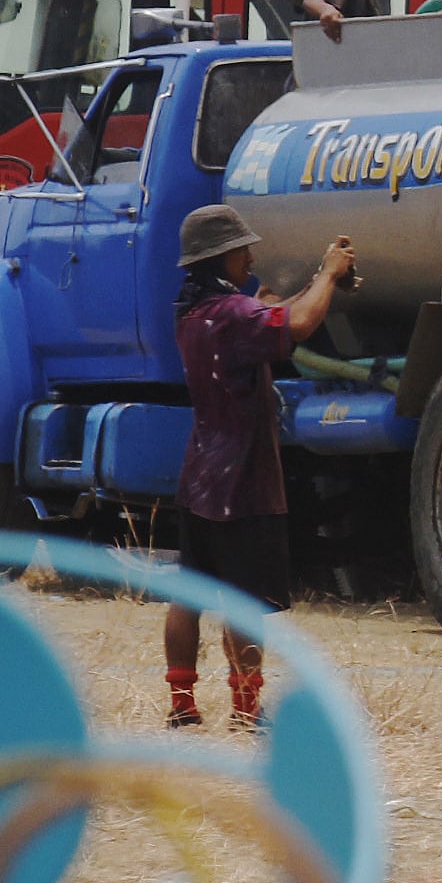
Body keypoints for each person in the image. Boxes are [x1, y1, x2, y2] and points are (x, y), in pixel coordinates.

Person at [164, 203, 357, 731]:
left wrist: (299, 290)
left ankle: (182, 704)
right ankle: (246, 710)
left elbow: (267, 316)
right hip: (244, 480)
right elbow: (298, 323)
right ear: (220, 257)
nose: (249, 259)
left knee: (188, 594)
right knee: (245, 602)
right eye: (241, 251)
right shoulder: (232, 315)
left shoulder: (192, 314)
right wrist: (328, 275)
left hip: (199, 476)